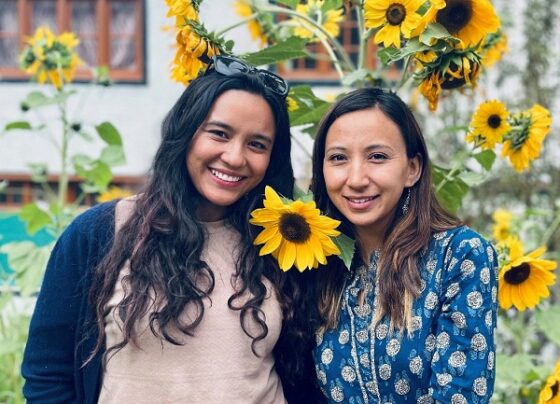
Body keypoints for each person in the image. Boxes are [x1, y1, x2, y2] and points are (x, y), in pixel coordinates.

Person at [22, 55, 314, 403]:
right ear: (186, 133)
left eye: (257, 144)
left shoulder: (283, 243)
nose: (235, 157)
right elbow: (47, 376)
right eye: (219, 133)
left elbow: (305, 378)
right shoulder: (99, 233)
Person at [309, 88, 498, 403]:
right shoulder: (317, 263)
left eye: (377, 157)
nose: (356, 179)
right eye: (338, 158)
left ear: (413, 169)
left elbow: (460, 395)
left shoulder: (459, 255)